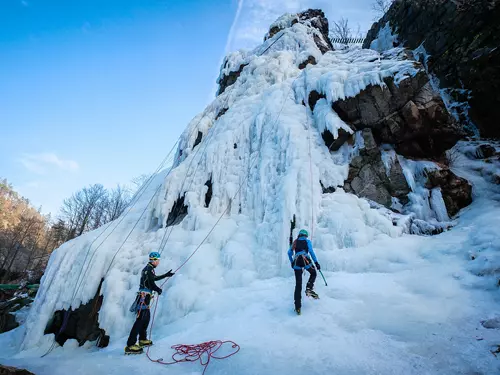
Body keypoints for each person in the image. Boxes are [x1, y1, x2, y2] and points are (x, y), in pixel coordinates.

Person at [125, 251, 175, 354]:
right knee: (140, 320)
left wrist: (165, 275)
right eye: (158, 260)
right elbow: (151, 283)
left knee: (146, 318)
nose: (159, 262)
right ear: (154, 260)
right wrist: (158, 289)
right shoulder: (148, 269)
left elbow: (153, 279)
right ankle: (130, 345)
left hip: (145, 298)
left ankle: (142, 339)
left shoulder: (149, 269)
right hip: (143, 297)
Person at [287, 229, 320, 315]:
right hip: (305, 259)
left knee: (298, 284)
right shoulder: (307, 241)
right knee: (313, 273)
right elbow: (311, 252)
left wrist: (291, 262)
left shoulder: (295, 242)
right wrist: (316, 262)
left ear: (299, 235)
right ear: (305, 235)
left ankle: (297, 307)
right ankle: (309, 288)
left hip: (296, 262)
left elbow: (289, 252)